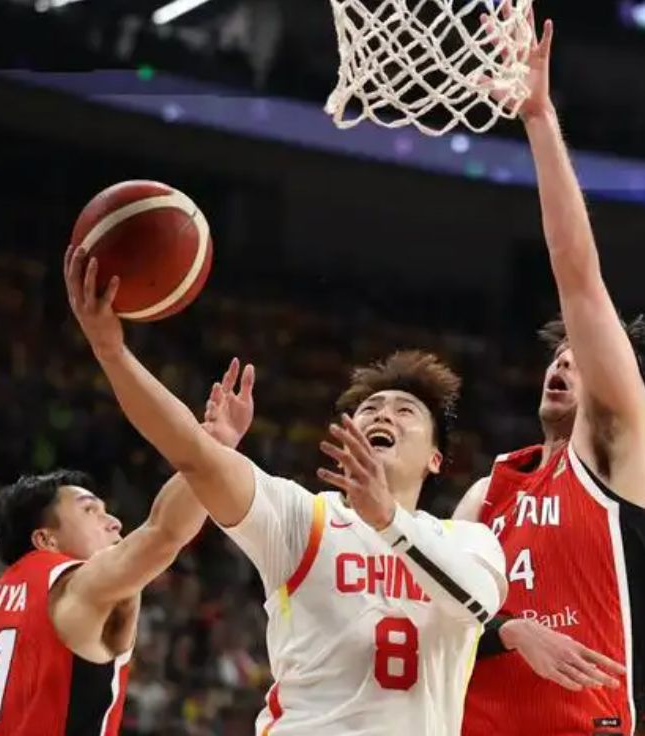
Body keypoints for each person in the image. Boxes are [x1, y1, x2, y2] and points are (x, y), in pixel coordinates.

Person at [64, 246, 507, 736]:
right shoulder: (303, 518)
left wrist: (388, 520)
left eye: (405, 411)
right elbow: (192, 452)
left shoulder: (469, 541)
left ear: (435, 459)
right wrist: (112, 352)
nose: (383, 413)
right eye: (370, 409)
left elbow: (478, 604)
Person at [455, 11, 645, 736]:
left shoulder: (619, 452)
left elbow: (579, 278)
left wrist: (538, 119)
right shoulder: (491, 490)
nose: (563, 362)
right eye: (555, 356)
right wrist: (507, 631)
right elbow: (432, 603)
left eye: (579, 358)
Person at [0, 246, 235, 735]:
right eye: (89, 510)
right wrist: (212, 451)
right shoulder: (77, 589)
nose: (114, 520)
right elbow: (164, 532)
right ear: (46, 540)